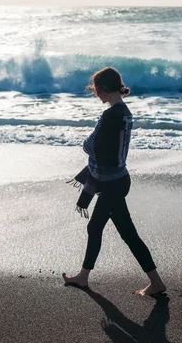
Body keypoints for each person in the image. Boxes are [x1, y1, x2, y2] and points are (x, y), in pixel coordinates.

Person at [62, 67, 166, 296]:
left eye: (96, 90)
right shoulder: (125, 112)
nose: (95, 94)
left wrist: (90, 146)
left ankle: (84, 278)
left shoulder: (110, 115)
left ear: (104, 89)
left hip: (111, 183)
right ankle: (84, 277)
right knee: (121, 233)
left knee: (111, 230)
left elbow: (89, 146)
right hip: (118, 178)